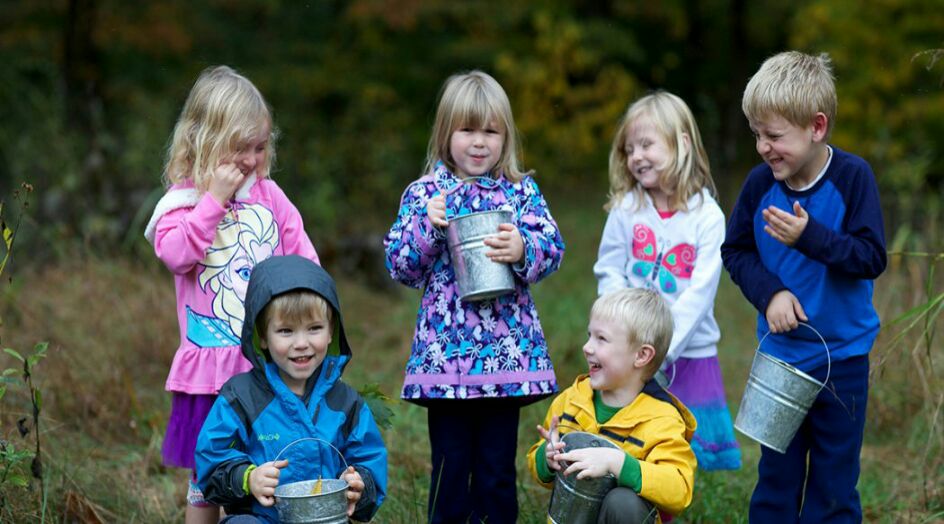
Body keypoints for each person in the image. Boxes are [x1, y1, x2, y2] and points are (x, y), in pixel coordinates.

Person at [383, 70, 565, 523]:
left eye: (491, 131)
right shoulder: (427, 194)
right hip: (446, 361)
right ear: (446, 134)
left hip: (504, 360)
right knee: (450, 466)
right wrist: (428, 225)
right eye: (467, 130)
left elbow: (553, 246)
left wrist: (523, 248)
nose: (479, 142)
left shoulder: (520, 191)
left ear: (506, 137)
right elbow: (400, 265)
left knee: (496, 471)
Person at [143, 65, 319, 523]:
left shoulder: (271, 198)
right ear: (203, 141)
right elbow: (177, 255)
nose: (250, 159)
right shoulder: (182, 203)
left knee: (261, 473)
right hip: (209, 370)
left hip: (264, 366)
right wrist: (213, 201)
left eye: (259, 147)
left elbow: (304, 261)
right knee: (207, 480)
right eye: (239, 147)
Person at [721, 51, 887, 522]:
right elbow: (736, 251)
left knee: (834, 484)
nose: (763, 147)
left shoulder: (853, 179)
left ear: (816, 126)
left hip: (844, 360)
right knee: (777, 479)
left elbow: (871, 257)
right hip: (781, 359)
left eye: (774, 136)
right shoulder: (758, 187)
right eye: (757, 134)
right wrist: (770, 293)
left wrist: (809, 237)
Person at [593, 91, 741, 471]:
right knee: (633, 439)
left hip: (687, 353)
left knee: (676, 449)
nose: (637, 156)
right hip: (630, 351)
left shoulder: (707, 217)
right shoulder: (627, 209)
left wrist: (662, 349)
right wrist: (620, 331)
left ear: (682, 144)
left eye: (647, 144)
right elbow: (609, 268)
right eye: (629, 149)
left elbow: (699, 294)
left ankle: (667, 502)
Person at [194, 254, 387, 522]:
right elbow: (211, 458)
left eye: (314, 328)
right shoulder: (241, 397)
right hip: (263, 518)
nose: (301, 343)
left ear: (331, 330)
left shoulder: (346, 402)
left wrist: (359, 485)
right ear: (262, 337)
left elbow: (369, 458)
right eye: (286, 331)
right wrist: (248, 478)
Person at [527, 288, 697, 524]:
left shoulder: (661, 419)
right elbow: (539, 464)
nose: (587, 346)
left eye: (601, 339)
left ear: (641, 356)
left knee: (622, 502)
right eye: (589, 335)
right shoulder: (572, 400)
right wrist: (547, 458)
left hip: (622, 516)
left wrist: (618, 464)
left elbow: (679, 489)